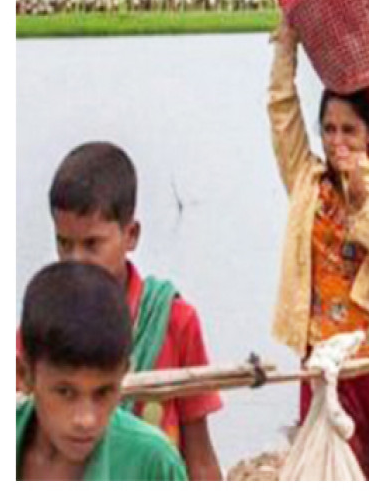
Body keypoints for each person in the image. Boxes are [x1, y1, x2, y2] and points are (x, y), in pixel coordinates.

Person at [16, 142, 222, 480]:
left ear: (131, 235)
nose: (76, 261)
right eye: (64, 243)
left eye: (92, 244)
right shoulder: (44, 325)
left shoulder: (172, 320)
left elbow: (198, 451)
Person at [267, 20, 369, 480]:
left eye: (349, 130)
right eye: (329, 129)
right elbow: (281, 112)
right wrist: (288, 42)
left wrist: (363, 209)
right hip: (323, 357)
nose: (338, 142)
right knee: (325, 473)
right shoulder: (306, 180)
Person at [17, 261, 187, 481]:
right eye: (65, 392)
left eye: (103, 392)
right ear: (25, 375)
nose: (86, 420)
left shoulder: (153, 464)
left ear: (124, 374)